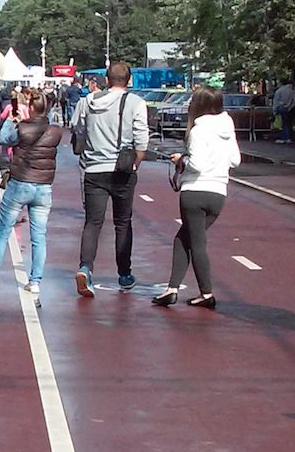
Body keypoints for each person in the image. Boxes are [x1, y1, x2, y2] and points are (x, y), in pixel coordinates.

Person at [154, 86, 242, 308]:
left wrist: (181, 160)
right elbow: (235, 160)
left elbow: (197, 165)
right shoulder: (227, 126)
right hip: (218, 192)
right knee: (184, 238)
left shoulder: (198, 130)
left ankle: (206, 293)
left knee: (196, 243)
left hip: (195, 191)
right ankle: (172, 289)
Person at [70, 60, 150, 296]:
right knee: (122, 223)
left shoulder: (87, 101)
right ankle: (124, 274)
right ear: (129, 80)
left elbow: (78, 129)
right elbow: (142, 141)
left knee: (93, 222)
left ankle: (85, 267)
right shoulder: (135, 103)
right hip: (123, 170)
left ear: (106, 79)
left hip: (94, 169)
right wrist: (135, 164)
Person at [0, 90, 62, 301]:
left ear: (30, 108)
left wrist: (11, 121)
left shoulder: (23, 128)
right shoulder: (55, 131)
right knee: (39, 236)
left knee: (3, 230)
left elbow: (5, 140)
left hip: (21, 183)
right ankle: (35, 282)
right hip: (44, 186)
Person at [271, 79, 295, 144]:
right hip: (289, 108)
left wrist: (274, 109)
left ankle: (283, 137)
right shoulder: (291, 91)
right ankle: (288, 137)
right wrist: (290, 107)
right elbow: (294, 101)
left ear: (281, 83)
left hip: (280, 108)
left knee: (281, 124)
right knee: (288, 123)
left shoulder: (279, 91)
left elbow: (276, 101)